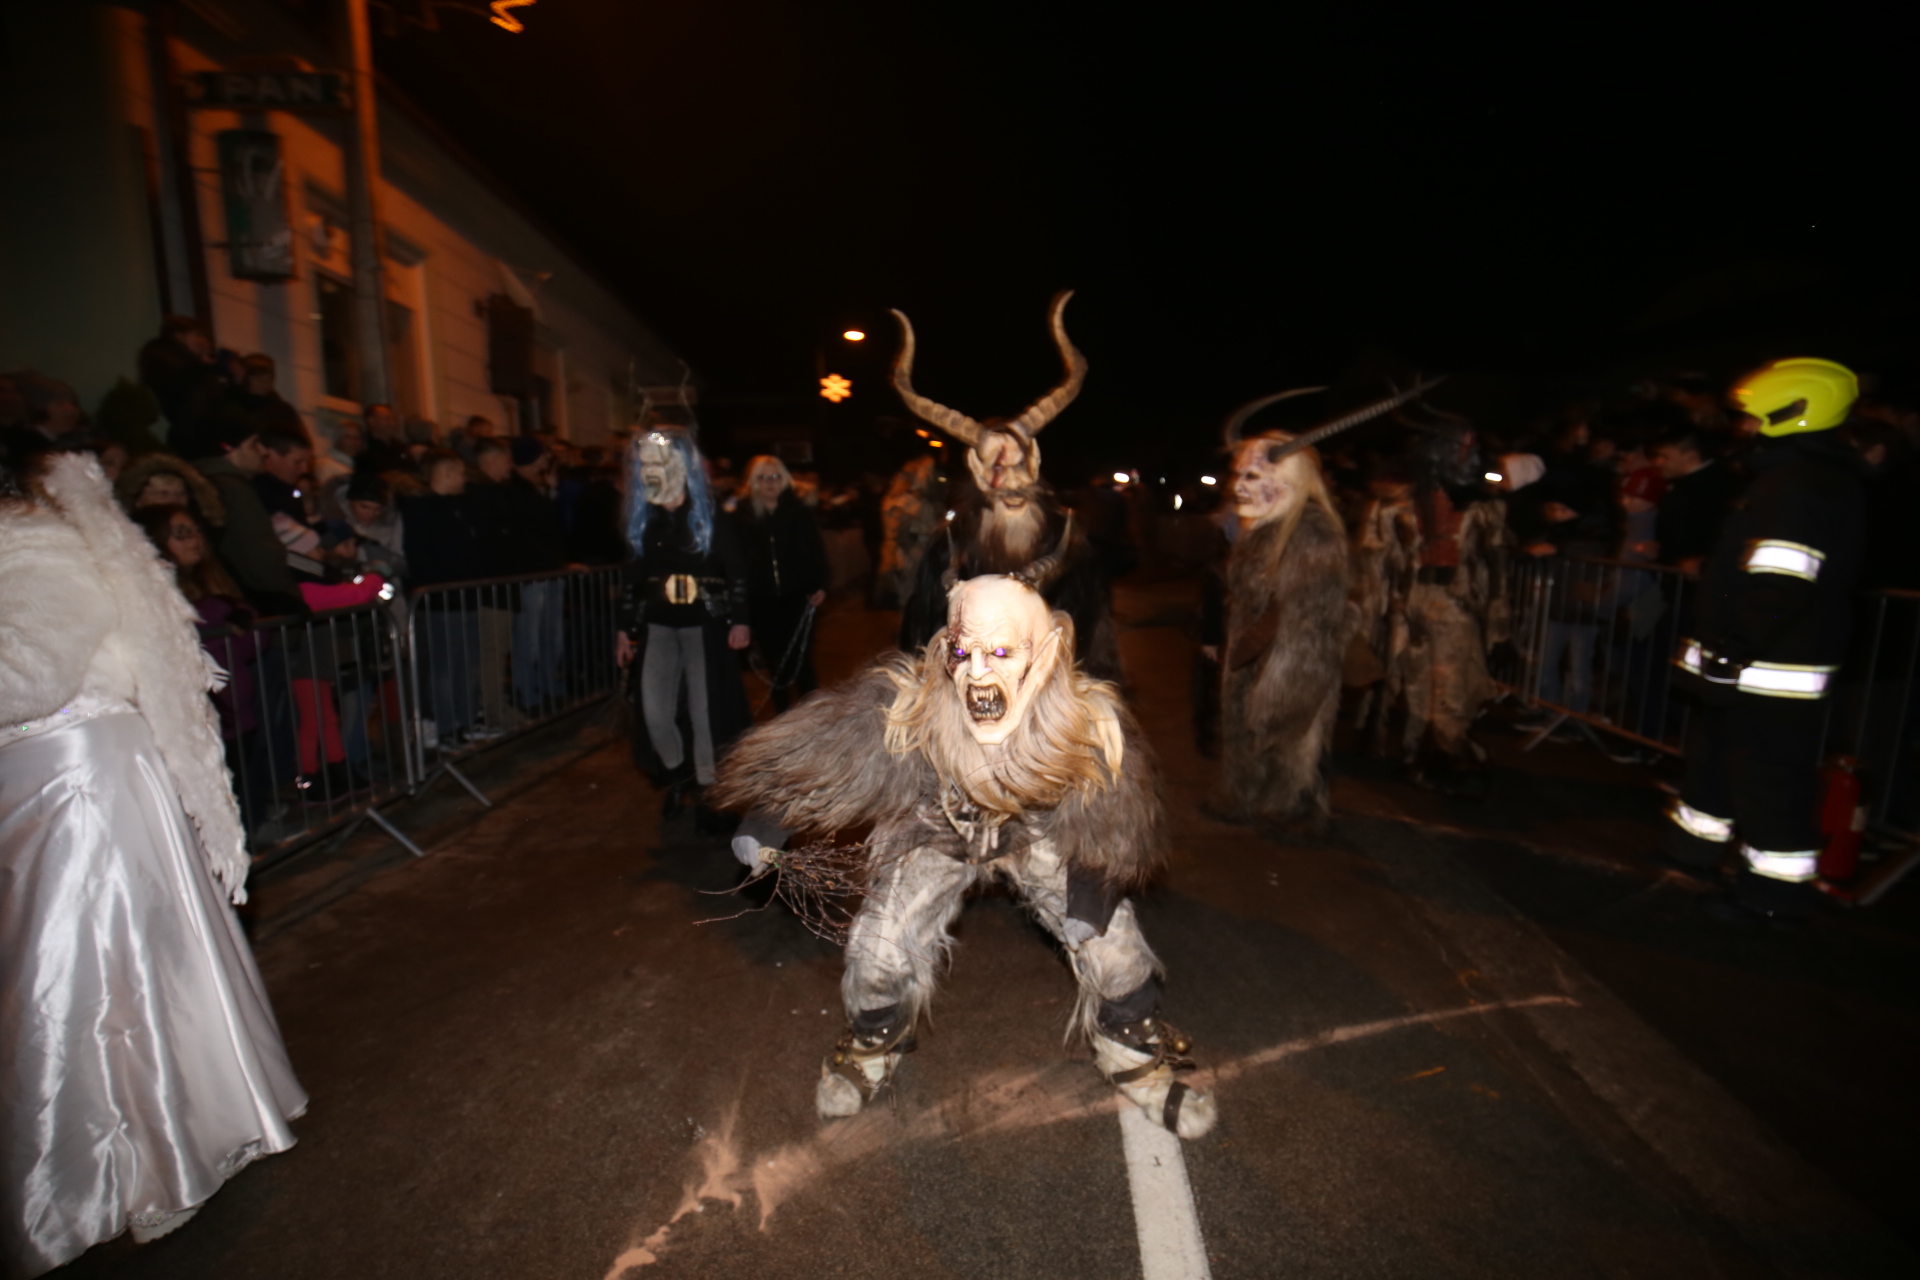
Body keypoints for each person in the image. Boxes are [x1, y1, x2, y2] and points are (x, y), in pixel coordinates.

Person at [713, 575, 1217, 1138]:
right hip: (937, 837)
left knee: (1115, 951)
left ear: (1044, 652)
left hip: (1034, 840)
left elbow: (1111, 827)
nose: (977, 672)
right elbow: (823, 755)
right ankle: (875, 1043)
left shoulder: (1088, 727)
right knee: (878, 952)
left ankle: (1131, 1054)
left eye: (1000, 651)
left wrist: (1088, 899)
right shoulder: (914, 706)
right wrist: (765, 824)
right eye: (963, 650)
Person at [1, 446, 305, 1274]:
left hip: (72, 776)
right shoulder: (48, 533)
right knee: (74, 963)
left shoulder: (35, 542)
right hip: (52, 775)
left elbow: (29, 672)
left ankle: (150, 1163)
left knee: (92, 964)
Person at [1664, 358, 1870, 922]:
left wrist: (1737, 642)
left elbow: (1782, 580)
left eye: (1751, 419)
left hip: (1773, 665)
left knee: (1768, 779)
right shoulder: (1788, 476)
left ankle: (1773, 893)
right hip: (1749, 660)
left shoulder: (1800, 484)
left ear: (1792, 414)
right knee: (1716, 763)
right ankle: (1695, 852)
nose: (1743, 429)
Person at [891, 292, 1122, 681]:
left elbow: (1092, 625)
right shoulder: (950, 545)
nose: (1010, 480)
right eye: (996, 468)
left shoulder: (1069, 542)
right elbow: (922, 626)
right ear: (977, 474)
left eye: (1019, 465)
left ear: (1034, 463)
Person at [613, 425, 751, 826]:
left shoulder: (709, 517)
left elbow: (736, 569)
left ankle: (710, 791)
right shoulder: (645, 520)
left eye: (658, 461)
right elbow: (633, 577)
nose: (648, 469)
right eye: (643, 462)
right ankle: (679, 776)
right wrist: (624, 628)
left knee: (704, 713)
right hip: (659, 625)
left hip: (703, 625)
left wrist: (740, 619)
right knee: (654, 711)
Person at [1216, 426, 1349, 835]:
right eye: (1238, 474)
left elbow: (1308, 623)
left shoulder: (1311, 531)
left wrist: (1282, 678)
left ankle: (1292, 809)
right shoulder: (1263, 527)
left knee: (1293, 734)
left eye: (1251, 477)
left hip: (1291, 660)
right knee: (1246, 729)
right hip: (1256, 653)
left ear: (1288, 480)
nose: (1237, 486)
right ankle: (1247, 798)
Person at [401, 451, 496, 746]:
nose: (464, 479)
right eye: (459, 472)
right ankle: (445, 726)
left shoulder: (461, 507)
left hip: (464, 598)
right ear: (445, 473)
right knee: (444, 668)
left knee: (465, 663)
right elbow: (422, 555)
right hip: (440, 601)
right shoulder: (421, 509)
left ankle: (466, 720)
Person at [736, 454, 829, 710]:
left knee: (801, 657)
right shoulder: (743, 516)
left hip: (799, 596)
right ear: (754, 481)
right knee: (775, 659)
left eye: (775, 477)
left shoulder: (799, 512)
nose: (770, 483)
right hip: (763, 598)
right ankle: (782, 714)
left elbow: (815, 550)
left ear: (784, 480)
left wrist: (820, 584)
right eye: (763, 478)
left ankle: (812, 714)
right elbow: (739, 559)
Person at [191, 419, 305, 618]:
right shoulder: (235, 491)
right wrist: (289, 595)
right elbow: (261, 559)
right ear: (230, 448)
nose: (263, 451)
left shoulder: (207, 484)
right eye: (254, 445)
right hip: (262, 609)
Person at [137, 315, 231, 460]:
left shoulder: (176, 365)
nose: (205, 342)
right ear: (179, 336)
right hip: (199, 442)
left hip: (196, 439)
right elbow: (202, 408)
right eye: (197, 335)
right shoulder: (182, 370)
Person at [1652, 429, 1740, 573]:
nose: (1658, 462)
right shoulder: (1695, 484)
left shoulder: (1708, 486)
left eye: (1665, 457)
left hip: (1696, 573)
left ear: (1691, 457)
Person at [116, 450, 227, 527]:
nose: (174, 500)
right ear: (138, 500)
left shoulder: (202, 533)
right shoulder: (129, 537)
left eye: (181, 494)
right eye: (163, 494)